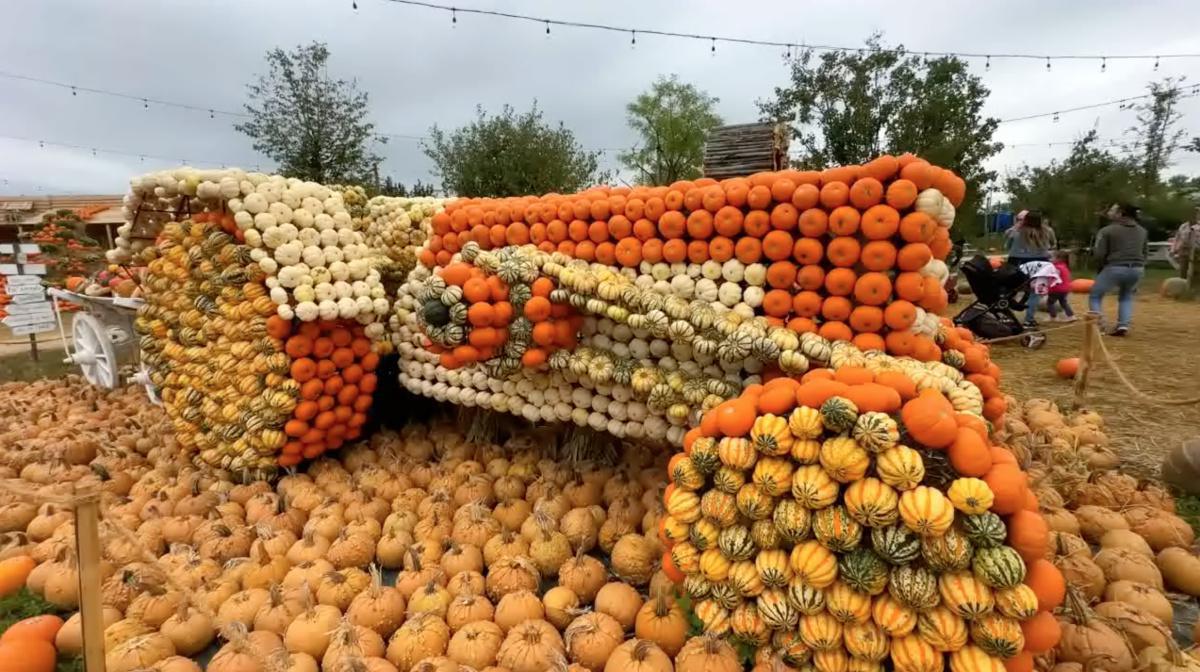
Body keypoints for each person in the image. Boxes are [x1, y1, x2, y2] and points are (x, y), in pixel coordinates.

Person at [1089, 203, 1148, 336]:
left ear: (1121, 214)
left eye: (1112, 210)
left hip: (1115, 267)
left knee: (1095, 295)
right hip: (1137, 268)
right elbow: (1145, 252)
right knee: (1126, 296)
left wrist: (1100, 267)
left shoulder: (1107, 230)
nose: (1109, 212)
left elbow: (1099, 253)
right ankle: (1123, 325)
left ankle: (1100, 325)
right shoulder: (1142, 231)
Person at [1005, 210, 1056, 326]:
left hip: (1018, 262)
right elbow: (1053, 244)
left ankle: (1007, 316)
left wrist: (1017, 224)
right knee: (1036, 292)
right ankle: (1029, 319)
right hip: (1041, 263)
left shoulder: (1017, 231)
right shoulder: (1047, 231)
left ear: (1025, 219)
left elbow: (1007, 238)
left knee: (1011, 290)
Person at [1169, 205, 1200, 279]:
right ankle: (1184, 286)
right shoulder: (1183, 226)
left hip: (1196, 252)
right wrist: (1173, 249)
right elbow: (1177, 238)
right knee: (1183, 271)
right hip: (1183, 251)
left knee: (1195, 272)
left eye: (1196, 213)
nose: (1193, 216)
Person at [1046, 250, 1076, 322]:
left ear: (1059, 259)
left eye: (1052, 258)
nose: (1050, 260)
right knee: (1063, 302)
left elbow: (1054, 277)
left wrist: (1047, 285)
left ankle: (1053, 317)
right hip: (1065, 289)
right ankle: (1071, 316)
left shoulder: (1057, 267)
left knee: (1050, 303)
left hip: (1056, 289)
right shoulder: (1065, 266)